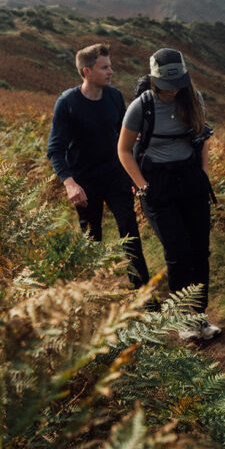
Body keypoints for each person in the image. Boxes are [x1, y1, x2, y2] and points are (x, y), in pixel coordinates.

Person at [117, 48, 221, 341]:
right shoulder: (141, 107)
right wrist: (142, 185)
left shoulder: (194, 99)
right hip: (157, 184)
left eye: (178, 82)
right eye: (167, 84)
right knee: (178, 253)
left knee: (200, 252)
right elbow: (123, 150)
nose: (174, 89)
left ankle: (199, 317)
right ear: (154, 80)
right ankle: (182, 320)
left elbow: (201, 139)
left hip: (190, 180)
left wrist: (203, 173)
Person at [47, 42, 149, 288]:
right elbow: (55, 150)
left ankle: (145, 296)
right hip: (85, 182)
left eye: (110, 66)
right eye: (104, 68)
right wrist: (71, 185)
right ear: (86, 72)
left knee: (130, 233)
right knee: (92, 240)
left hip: (116, 177)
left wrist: (136, 177)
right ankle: (97, 294)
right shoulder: (67, 103)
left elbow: (125, 141)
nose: (110, 72)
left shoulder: (114, 97)